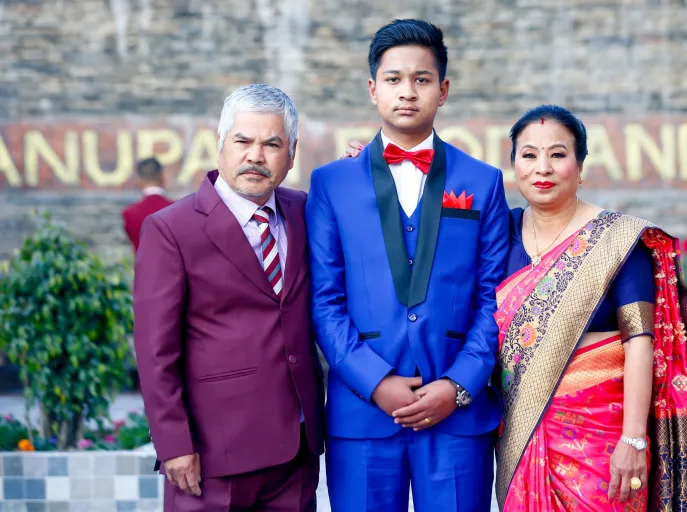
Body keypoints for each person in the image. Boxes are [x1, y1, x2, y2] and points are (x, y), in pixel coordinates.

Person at [305, 19, 509, 512]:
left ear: (443, 90)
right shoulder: (331, 183)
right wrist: (374, 381)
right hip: (363, 412)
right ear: (373, 90)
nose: (407, 92)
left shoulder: (483, 182)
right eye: (394, 80)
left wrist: (459, 385)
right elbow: (325, 299)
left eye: (421, 80)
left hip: (457, 413)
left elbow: (495, 298)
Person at [494, 105, 687, 511]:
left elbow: (640, 344)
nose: (543, 167)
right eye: (529, 155)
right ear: (513, 165)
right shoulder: (499, 232)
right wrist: (369, 168)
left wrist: (632, 440)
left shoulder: (617, 241)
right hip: (523, 433)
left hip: (603, 436)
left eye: (558, 154)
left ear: (580, 165)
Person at [133, 84, 325, 512]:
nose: (255, 155)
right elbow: (154, 350)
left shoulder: (305, 211)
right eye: (243, 141)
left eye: (272, 144)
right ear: (220, 145)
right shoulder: (171, 229)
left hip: (296, 450)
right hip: (213, 454)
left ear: (291, 156)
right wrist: (173, 444)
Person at [122, 157, 174, 252]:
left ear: (138, 180)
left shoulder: (129, 213)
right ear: (163, 177)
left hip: (144, 266)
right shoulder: (178, 210)